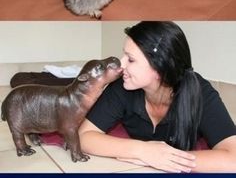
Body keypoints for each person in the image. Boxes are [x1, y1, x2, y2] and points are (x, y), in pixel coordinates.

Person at [78, 20, 236, 164]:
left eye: (130, 59)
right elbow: (84, 136)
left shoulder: (200, 92)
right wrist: (142, 151)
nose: (121, 65)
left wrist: (167, 160)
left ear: (160, 68)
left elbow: (232, 156)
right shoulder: (122, 87)